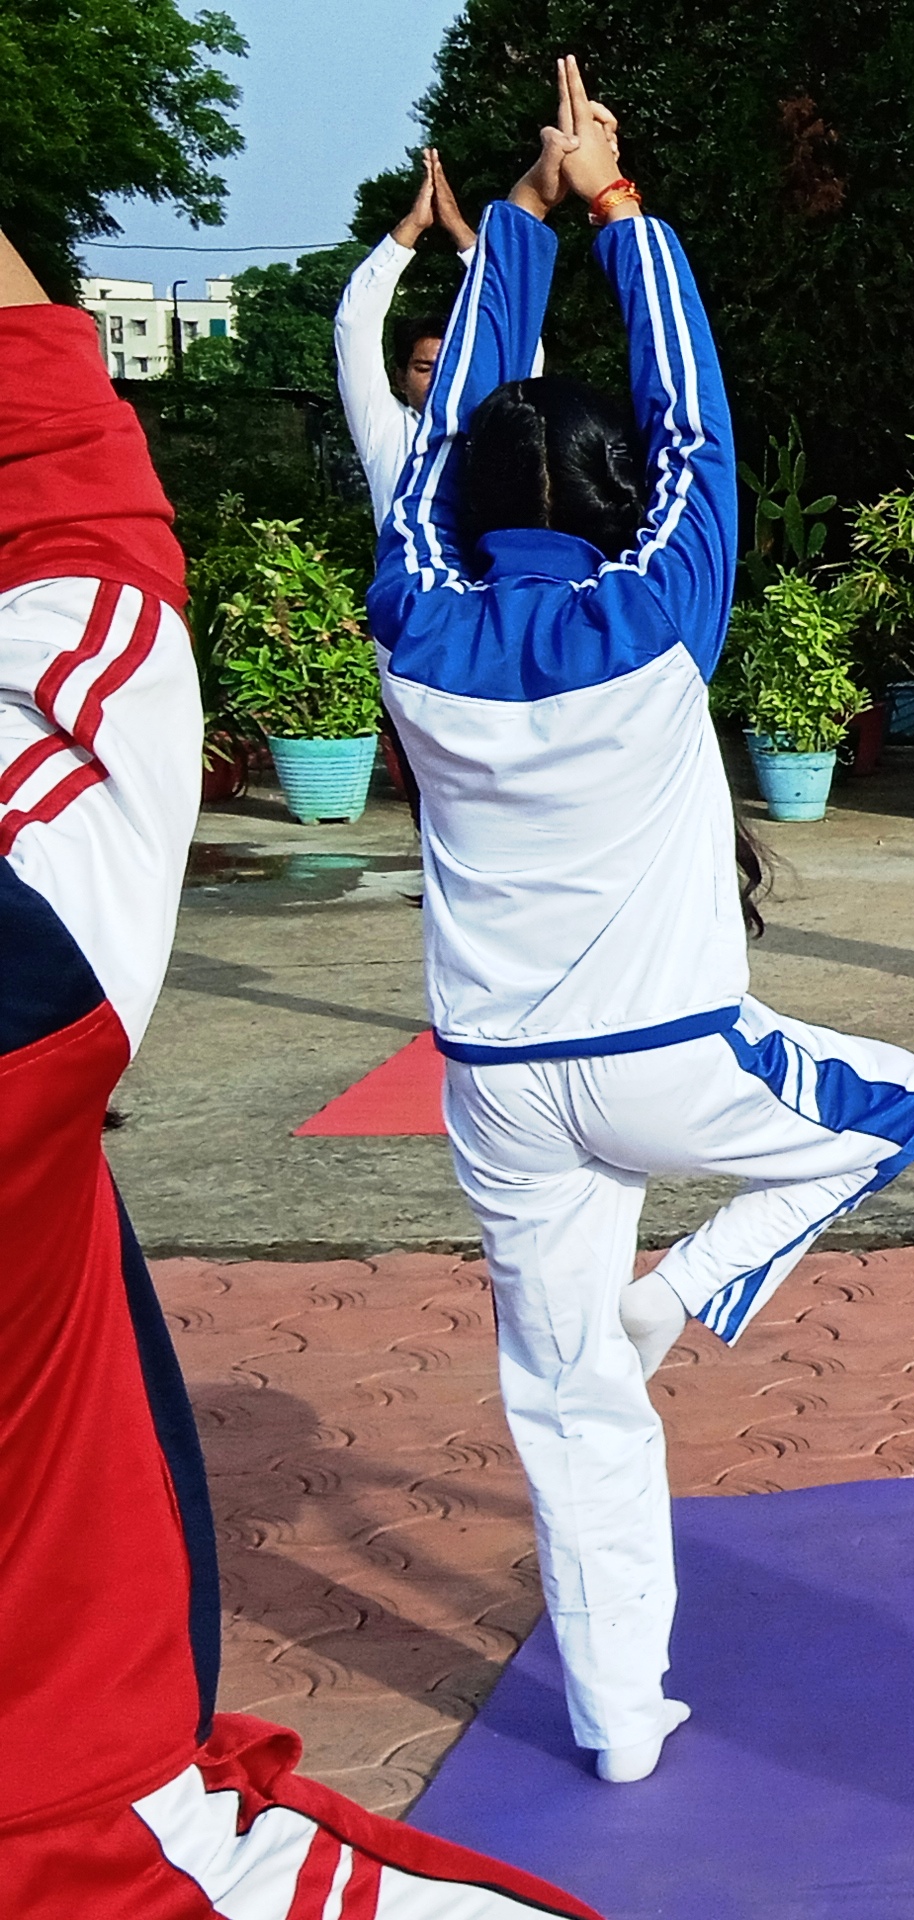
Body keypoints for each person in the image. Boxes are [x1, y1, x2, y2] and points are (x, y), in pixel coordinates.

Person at [0, 216, 596, 1916]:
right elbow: (375, 382)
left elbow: (489, 376)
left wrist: (485, 261)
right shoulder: (434, 521)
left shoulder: (449, 525)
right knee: (568, 1360)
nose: (426, 374)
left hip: (507, 1023)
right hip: (527, 995)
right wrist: (494, 256)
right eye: (421, 365)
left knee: (562, 1358)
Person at [372, 60, 914, 1786]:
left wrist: (522, 228)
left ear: (465, 507)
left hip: (492, 1086)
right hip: (668, 1061)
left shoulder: (416, 618)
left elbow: (445, 441)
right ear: (623, 505)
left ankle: (620, 1723)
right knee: (901, 1108)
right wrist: (613, 205)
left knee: (563, 1413)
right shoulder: (657, 612)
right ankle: (684, 1289)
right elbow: (699, 425)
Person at [337, 147, 478, 521]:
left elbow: (516, 333)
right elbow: (354, 323)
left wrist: (460, 230)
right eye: (424, 368)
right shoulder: (386, 432)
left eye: (449, 367)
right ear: (400, 378)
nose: (438, 379)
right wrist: (413, 226)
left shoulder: (495, 426)